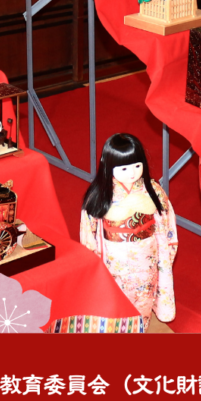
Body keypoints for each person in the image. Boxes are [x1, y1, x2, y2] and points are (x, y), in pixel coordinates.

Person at [80, 133, 177, 329]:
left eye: (137, 166)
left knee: (143, 297)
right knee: (115, 299)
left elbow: (167, 221)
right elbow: (88, 230)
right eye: (124, 168)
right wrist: (92, 256)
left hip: (146, 256)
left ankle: (140, 328)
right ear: (109, 167)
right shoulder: (100, 193)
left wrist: (165, 252)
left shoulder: (153, 189)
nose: (132, 173)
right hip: (114, 259)